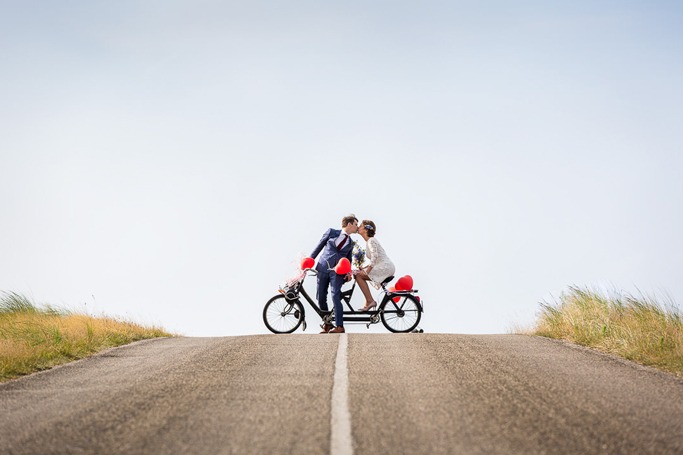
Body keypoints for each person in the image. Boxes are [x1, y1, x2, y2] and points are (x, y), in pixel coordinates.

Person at [310, 214, 359, 333]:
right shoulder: (331, 232)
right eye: (356, 224)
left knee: (335, 295)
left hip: (338, 272)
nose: (357, 227)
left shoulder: (351, 243)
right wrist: (309, 260)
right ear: (349, 224)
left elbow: (348, 259)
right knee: (320, 297)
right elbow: (319, 246)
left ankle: (339, 326)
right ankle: (327, 323)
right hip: (323, 267)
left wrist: (348, 273)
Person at [354, 220, 395, 311]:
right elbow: (376, 260)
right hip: (385, 266)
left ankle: (370, 301)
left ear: (366, 229)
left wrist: (367, 271)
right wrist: (364, 268)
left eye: (360, 226)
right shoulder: (369, 241)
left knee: (358, 276)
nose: (358, 227)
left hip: (386, 267)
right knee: (358, 273)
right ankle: (369, 301)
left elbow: (375, 256)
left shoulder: (371, 240)